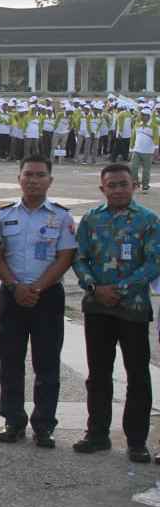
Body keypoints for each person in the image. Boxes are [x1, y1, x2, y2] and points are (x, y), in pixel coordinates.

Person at [71, 163, 158, 463]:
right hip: (98, 308)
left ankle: (136, 440)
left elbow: (153, 263)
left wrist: (119, 289)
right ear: (102, 188)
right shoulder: (91, 221)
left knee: (137, 375)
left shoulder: (148, 221)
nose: (118, 189)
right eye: (112, 185)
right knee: (98, 374)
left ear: (133, 185)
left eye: (124, 184)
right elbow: (79, 258)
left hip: (132, 310)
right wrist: (95, 287)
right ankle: (97, 434)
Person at [0, 156, 76, 448]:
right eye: (28, 174)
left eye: (40, 175)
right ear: (19, 179)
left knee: (47, 362)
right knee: (10, 361)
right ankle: (13, 420)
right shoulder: (4, 215)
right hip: (12, 295)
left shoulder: (62, 217)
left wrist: (37, 287)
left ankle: (43, 425)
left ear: (50, 181)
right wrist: (14, 286)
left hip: (47, 296)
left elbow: (65, 256)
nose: (33, 180)